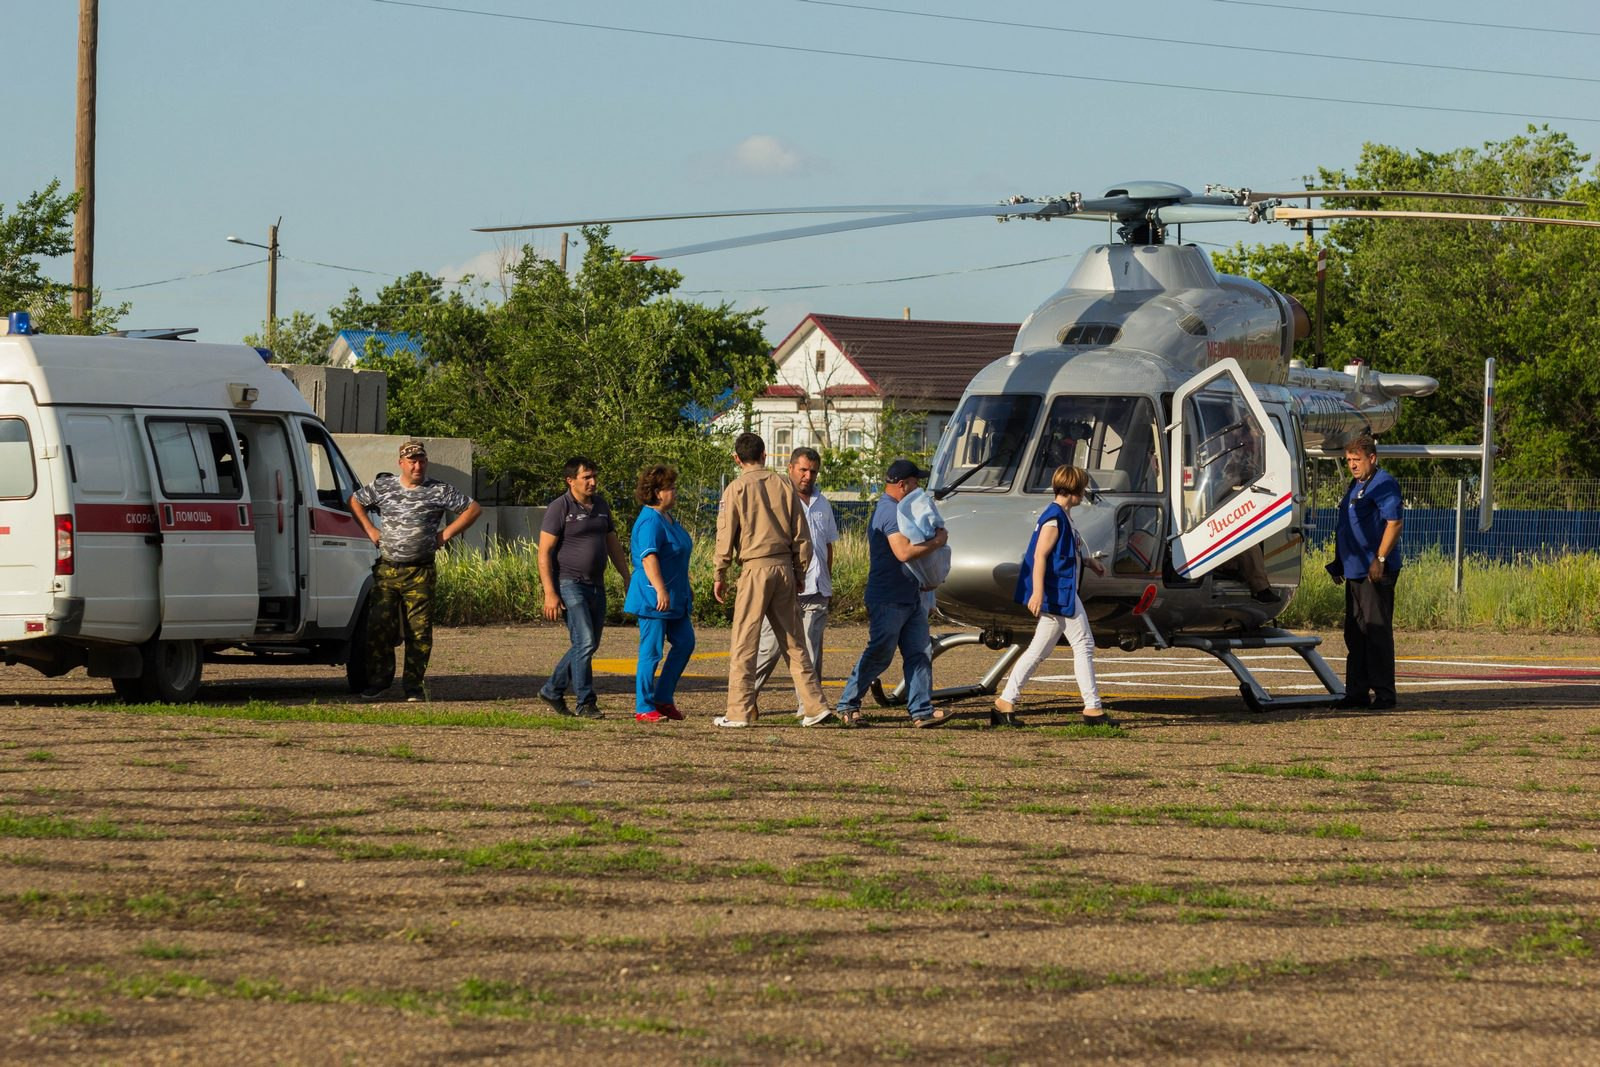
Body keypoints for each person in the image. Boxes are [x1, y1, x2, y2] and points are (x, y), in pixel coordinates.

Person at [713, 433, 834, 729]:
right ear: (765, 455)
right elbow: (801, 532)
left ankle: (739, 711)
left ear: (736, 458)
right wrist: (800, 571)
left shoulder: (736, 488)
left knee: (745, 640)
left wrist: (720, 572)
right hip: (784, 569)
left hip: (755, 569)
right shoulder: (783, 484)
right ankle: (814, 706)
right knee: (794, 642)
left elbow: (725, 535)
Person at [349, 439, 482, 702]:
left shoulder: (438, 490)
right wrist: (370, 530)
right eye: (412, 461)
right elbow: (354, 501)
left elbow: (473, 508)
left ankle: (413, 686)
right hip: (388, 569)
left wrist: (445, 535)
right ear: (401, 463)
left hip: (420, 571)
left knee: (418, 631)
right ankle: (379, 682)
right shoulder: (384, 487)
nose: (417, 466)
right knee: (379, 628)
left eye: (421, 460)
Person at [834, 459, 953, 728]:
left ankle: (921, 711)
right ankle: (848, 704)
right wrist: (938, 542)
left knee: (919, 652)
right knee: (880, 652)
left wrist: (926, 577)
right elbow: (903, 552)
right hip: (888, 598)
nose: (918, 488)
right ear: (902, 484)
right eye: (915, 483)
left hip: (909, 595)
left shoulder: (899, 509)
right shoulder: (889, 512)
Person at [993, 465, 1110, 727]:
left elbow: (1061, 554)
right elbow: (1040, 556)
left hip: (1061, 591)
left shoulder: (1062, 515)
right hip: (1059, 593)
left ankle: (1005, 702)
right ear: (1074, 490)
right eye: (1082, 487)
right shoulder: (1055, 518)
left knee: (1037, 651)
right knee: (1084, 645)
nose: (1085, 493)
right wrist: (1038, 592)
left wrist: (1088, 562)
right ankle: (1093, 708)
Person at [538, 456, 631, 719]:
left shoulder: (601, 505)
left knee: (588, 643)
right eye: (586, 477)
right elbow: (544, 552)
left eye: (594, 476)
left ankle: (552, 689)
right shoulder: (560, 507)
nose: (593, 482)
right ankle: (585, 702)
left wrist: (626, 576)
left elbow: (612, 543)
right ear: (570, 481)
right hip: (569, 583)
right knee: (585, 641)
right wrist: (550, 593)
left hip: (596, 586)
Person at [751, 447, 839, 718]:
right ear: (790, 468)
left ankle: (809, 708)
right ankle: (743, 699)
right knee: (769, 649)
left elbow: (827, 545)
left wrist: (826, 576)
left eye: (812, 471)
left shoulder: (823, 503)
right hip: (785, 587)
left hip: (816, 588)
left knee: (811, 652)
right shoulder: (777, 498)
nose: (807, 476)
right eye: (802, 469)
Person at [1330, 433, 1404, 710]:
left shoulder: (1384, 483)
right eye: (1348, 460)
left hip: (1374, 570)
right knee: (1355, 632)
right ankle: (1357, 692)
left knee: (1377, 631)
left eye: (1357, 459)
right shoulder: (1354, 485)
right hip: (1354, 569)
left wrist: (1380, 558)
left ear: (1372, 458)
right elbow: (1346, 526)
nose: (1352, 465)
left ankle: (1385, 694)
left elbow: (1394, 522)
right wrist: (1339, 562)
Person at [623, 465, 695, 724]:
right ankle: (644, 705)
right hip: (654, 598)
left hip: (677, 597)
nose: (675, 492)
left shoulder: (668, 518)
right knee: (651, 651)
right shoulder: (649, 520)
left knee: (685, 642)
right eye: (670, 488)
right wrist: (661, 589)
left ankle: (663, 697)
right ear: (656, 492)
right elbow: (649, 557)